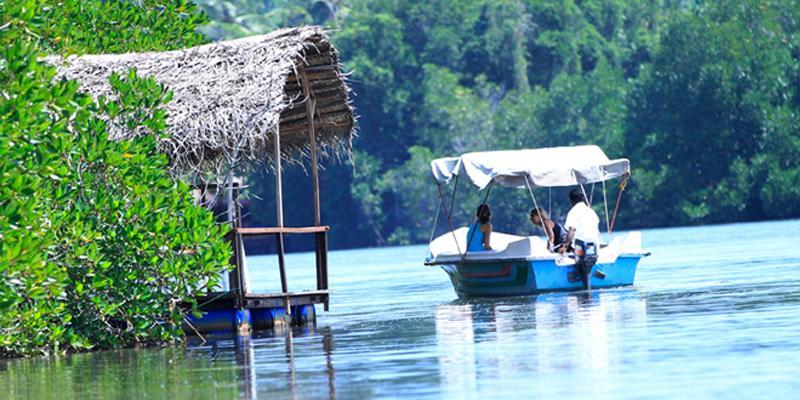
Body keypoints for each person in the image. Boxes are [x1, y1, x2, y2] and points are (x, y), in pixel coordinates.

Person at [562, 188, 601, 288]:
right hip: (595, 248)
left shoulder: (573, 212)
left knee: (574, 254)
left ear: (571, 201)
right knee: (586, 268)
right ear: (583, 198)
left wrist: (565, 246)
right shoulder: (592, 212)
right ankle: (589, 276)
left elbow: (571, 231)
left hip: (582, 249)